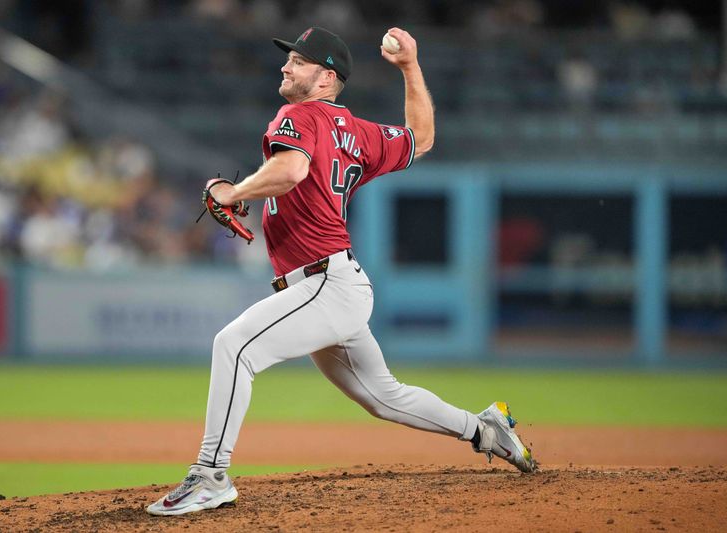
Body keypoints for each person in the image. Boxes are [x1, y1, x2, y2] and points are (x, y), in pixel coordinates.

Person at [147, 26, 536, 516]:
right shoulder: (358, 133)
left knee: (234, 345)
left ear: (326, 78)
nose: (286, 66)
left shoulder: (300, 114)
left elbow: (290, 171)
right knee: (384, 397)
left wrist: (233, 191)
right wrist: (411, 69)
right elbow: (423, 138)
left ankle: (210, 475)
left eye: (299, 60)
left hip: (324, 283)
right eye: (288, 58)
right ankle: (485, 430)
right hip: (333, 285)